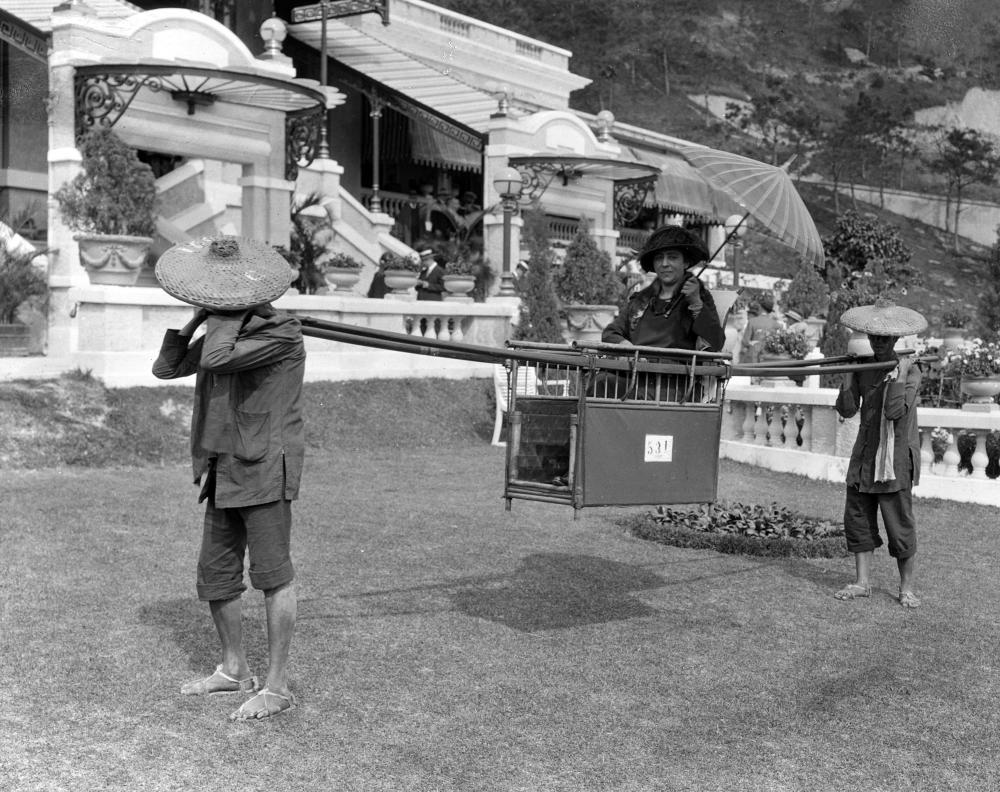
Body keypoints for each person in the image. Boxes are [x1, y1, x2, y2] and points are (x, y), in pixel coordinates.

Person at [151, 236, 306, 721]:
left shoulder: (282, 333)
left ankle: (277, 687)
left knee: (272, 576)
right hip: (222, 468)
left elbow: (217, 359)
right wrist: (198, 319)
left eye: (215, 296)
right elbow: (167, 367)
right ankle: (235, 668)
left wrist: (222, 317)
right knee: (216, 575)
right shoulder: (227, 329)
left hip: (263, 465)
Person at [833, 297, 927, 608]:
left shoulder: (911, 371)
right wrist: (847, 380)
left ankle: (907, 588)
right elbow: (847, 410)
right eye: (874, 337)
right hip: (864, 455)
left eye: (885, 339)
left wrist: (898, 377)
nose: (879, 343)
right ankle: (862, 583)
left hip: (895, 459)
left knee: (899, 523)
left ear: (896, 338)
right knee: (857, 517)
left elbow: (894, 411)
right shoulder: (864, 367)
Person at [602, 224, 725, 351]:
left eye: (672, 257)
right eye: (659, 258)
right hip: (634, 366)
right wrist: (625, 346)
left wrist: (696, 303)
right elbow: (610, 333)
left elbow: (716, 342)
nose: (664, 264)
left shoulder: (699, 297)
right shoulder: (641, 300)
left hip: (674, 368)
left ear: (686, 263)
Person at [740, 291, 781, 363]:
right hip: (768, 360)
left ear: (760, 307)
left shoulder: (752, 321)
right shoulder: (776, 324)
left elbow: (745, 342)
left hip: (752, 360)